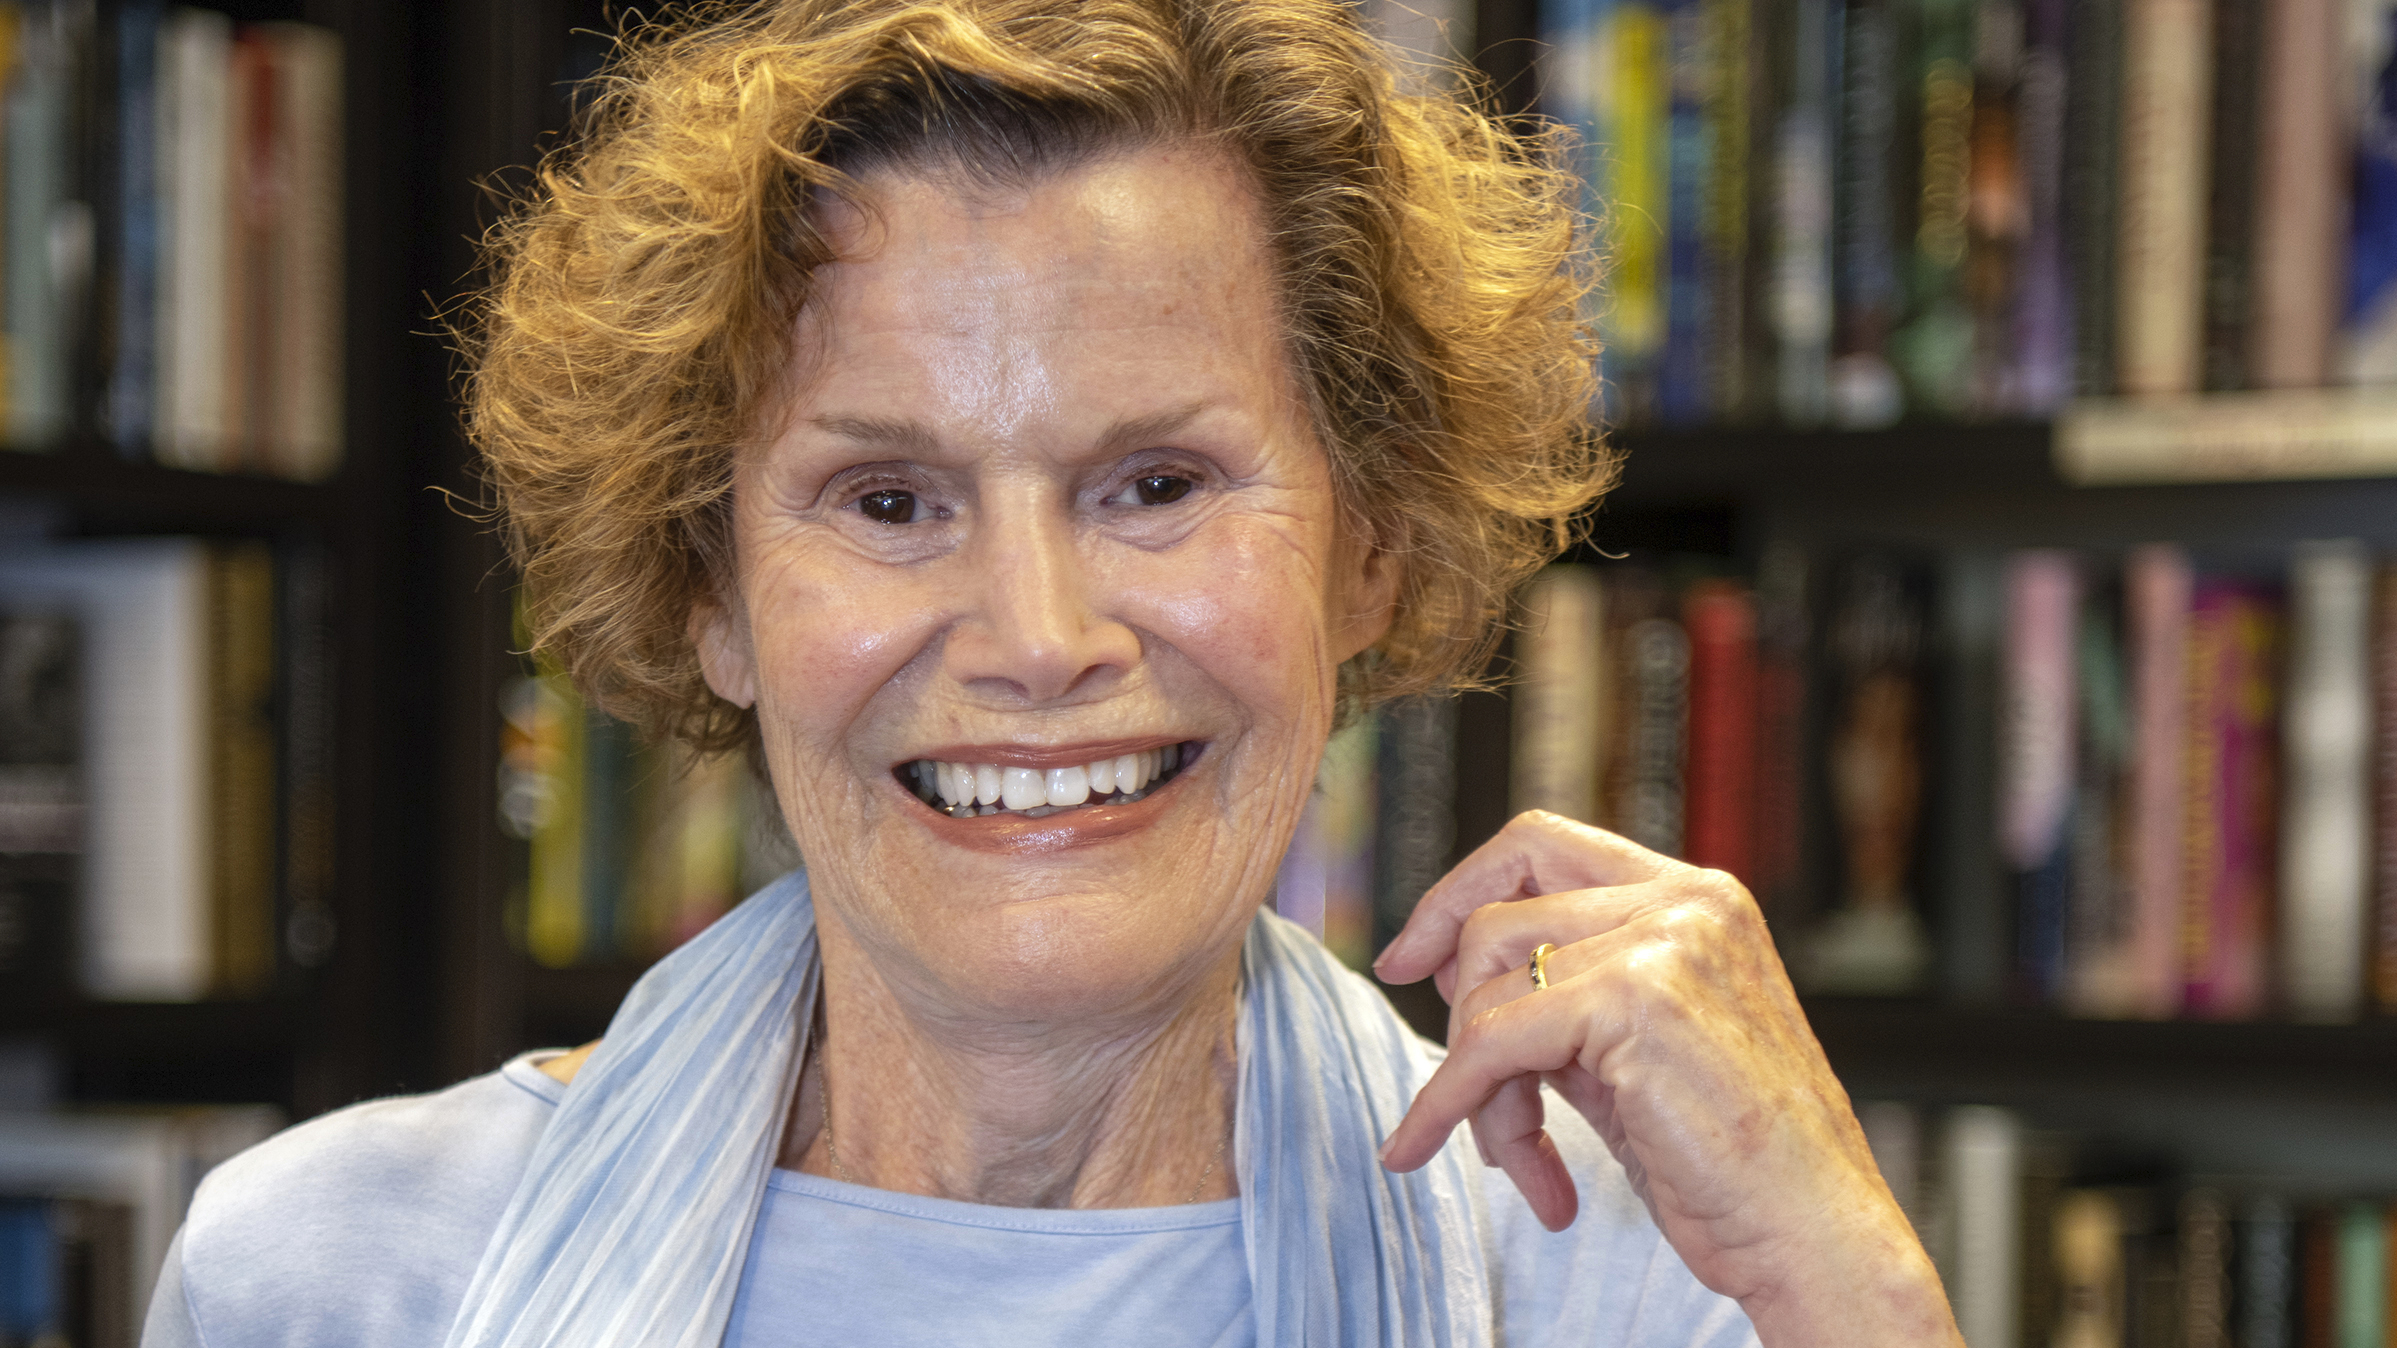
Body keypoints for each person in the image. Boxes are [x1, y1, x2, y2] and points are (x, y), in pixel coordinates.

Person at [144, 2, 1962, 1345]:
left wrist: (1862, 1291)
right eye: (887, 497)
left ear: (1371, 542)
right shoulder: (334, 1274)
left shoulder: (1639, 1287)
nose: (1034, 638)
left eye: (1156, 486)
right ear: (709, 589)